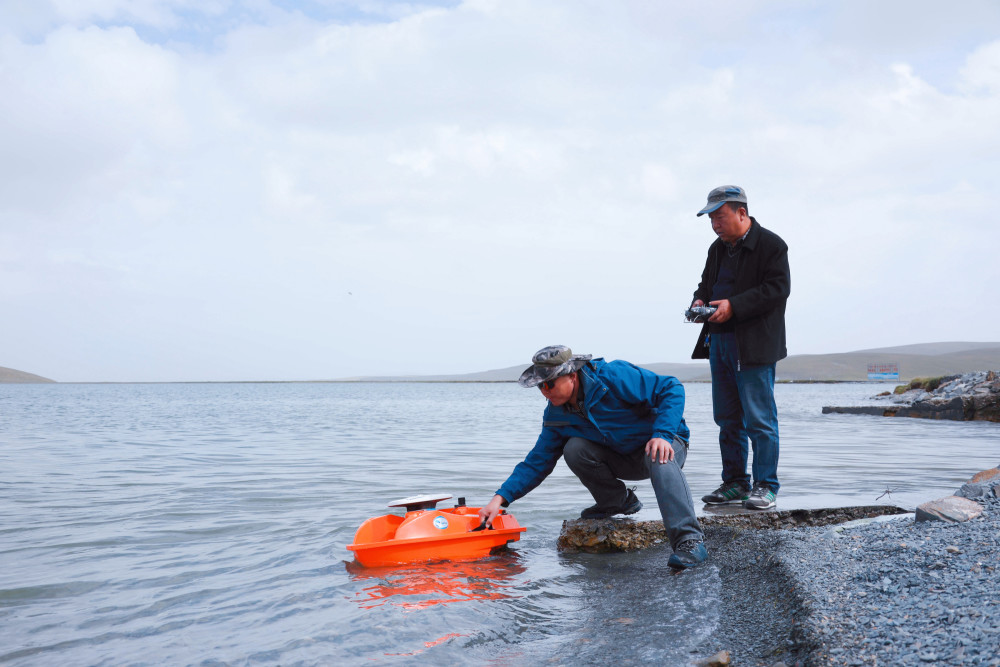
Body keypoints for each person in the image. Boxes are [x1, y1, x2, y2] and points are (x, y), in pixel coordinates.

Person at [479, 345, 707, 569]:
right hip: (623, 457)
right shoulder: (555, 415)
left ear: (571, 375)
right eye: (540, 386)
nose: (544, 391)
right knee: (575, 449)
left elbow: (671, 387)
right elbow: (536, 462)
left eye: (549, 383)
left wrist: (663, 434)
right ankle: (617, 502)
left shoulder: (612, 376)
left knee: (659, 455)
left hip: (665, 444)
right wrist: (499, 499)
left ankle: (689, 541)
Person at [690, 185, 790, 511]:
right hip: (719, 341)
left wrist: (734, 305)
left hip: (755, 344)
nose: (715, 224)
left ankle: (766, 486)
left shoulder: (772, 245)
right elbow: (706, 284)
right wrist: (699, 300)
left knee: (759, 419)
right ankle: (735, 484)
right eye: (711, 219)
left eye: (720, 217)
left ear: (741, 212)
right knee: (727, 418)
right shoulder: (716, 249)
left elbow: (777, 289)